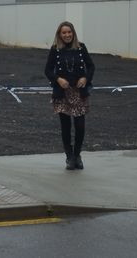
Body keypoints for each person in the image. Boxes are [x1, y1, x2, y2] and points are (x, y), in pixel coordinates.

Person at [44, 21, 94, 170]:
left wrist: (85, 78)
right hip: (62, 93)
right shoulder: (55, 50)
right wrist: (58, 79)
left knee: (80, 126)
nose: (67, 35)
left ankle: (77, 154)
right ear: (59, 35)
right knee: (65, 127)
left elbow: (91, 66)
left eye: (69, 32)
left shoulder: (81, 47)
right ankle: (69, 157)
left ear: (73, 33)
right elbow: (47, 70)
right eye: (64, 33)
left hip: (79, 92)